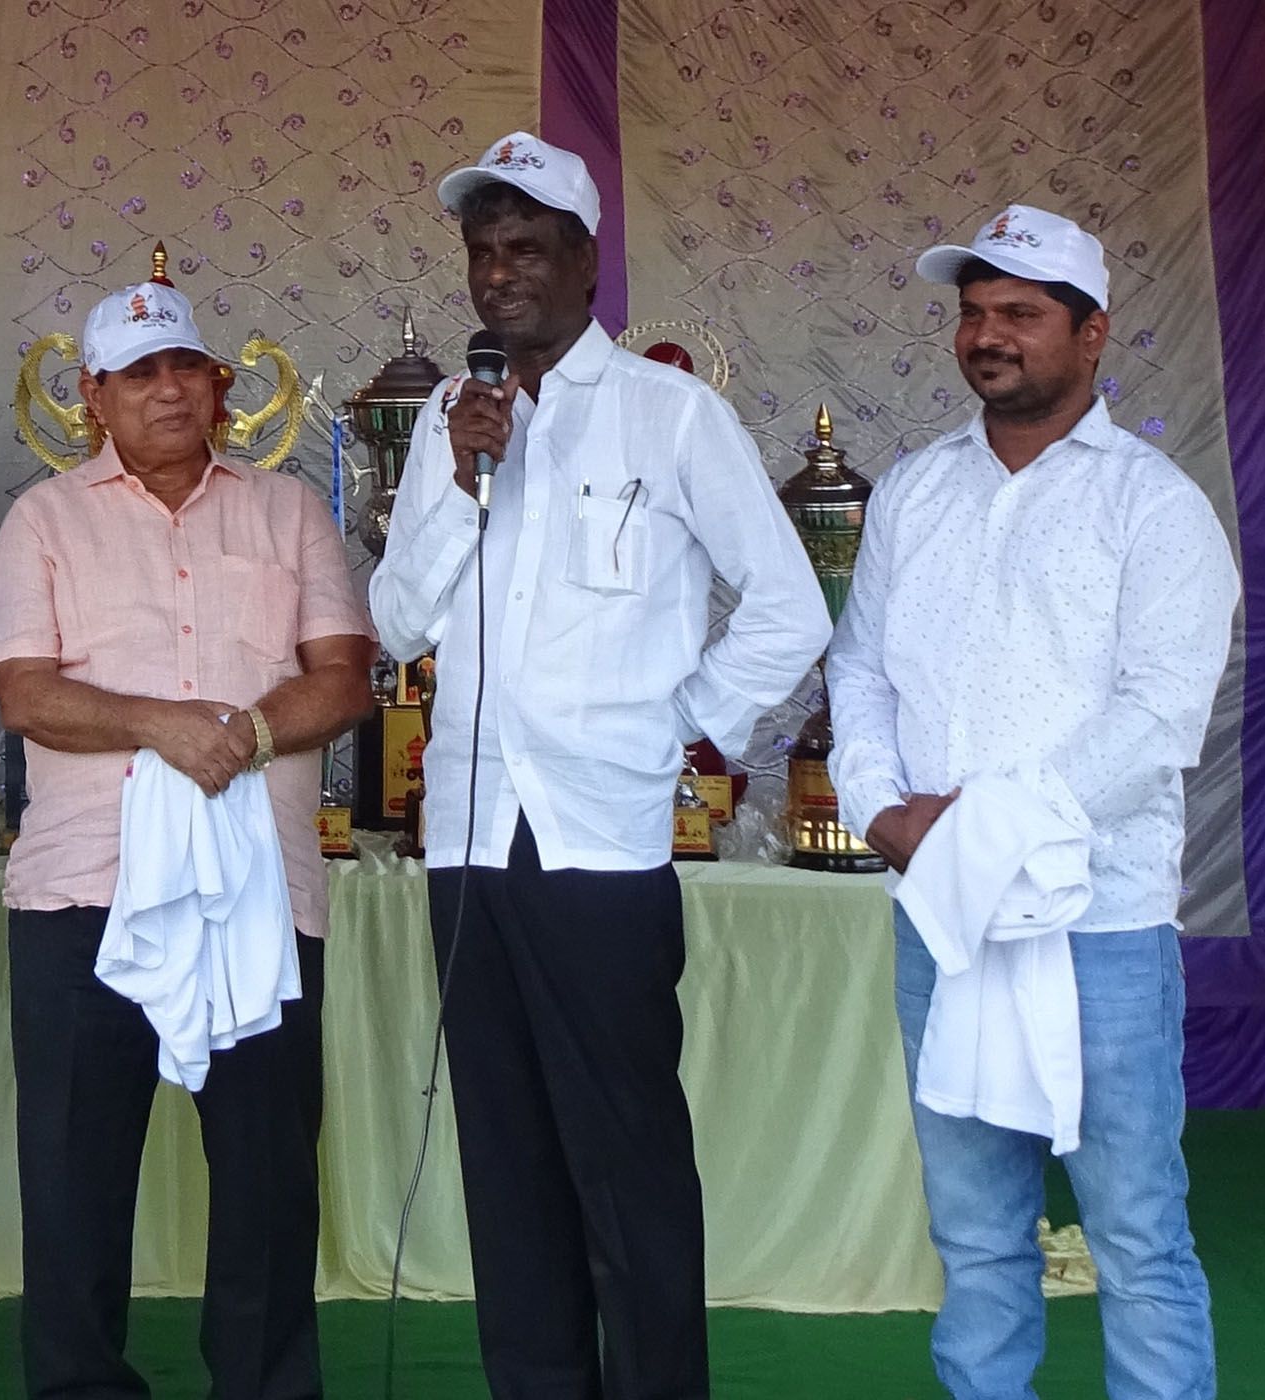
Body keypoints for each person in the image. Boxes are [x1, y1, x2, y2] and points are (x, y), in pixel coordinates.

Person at [367, 132, 828, 1397]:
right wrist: (461, 483)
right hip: (471, 838)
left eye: (526, 248)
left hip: (600, 845)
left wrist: (681, 728)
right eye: (482, 251)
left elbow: (790, 606)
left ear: (585, 262)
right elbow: (396, 623)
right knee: (505, 1162)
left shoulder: (670, 415)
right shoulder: (448, 425)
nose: (498, 273)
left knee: (626, 1163)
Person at [834, 204, 1234, 1400]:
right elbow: (859, 666)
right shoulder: (915, 490)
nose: (987, 334)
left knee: (1136, 1232)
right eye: (972, 313)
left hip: (1097, 925)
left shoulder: (1154, 504)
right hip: (945, 920)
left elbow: (1159, 716)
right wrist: (880, 808)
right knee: (973, 1232)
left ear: (1092, 332)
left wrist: (984, 826)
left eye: (1019, 311)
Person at [0, 279, 373, 1400]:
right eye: (139, 372)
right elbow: (23, 692)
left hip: (260, 894)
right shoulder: (43, 519)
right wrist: (161, 724)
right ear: (94, 394)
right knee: (73, 1177)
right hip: (82, 891)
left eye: (185, 367)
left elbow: (343, 679)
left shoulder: (288, 512)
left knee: (266, 1176)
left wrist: (247, 732)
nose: (167, 390)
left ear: (220, 385)